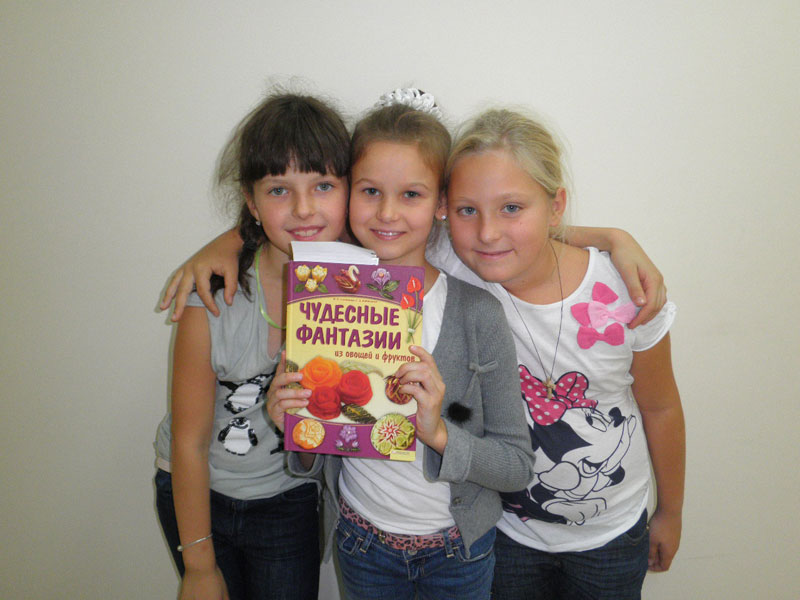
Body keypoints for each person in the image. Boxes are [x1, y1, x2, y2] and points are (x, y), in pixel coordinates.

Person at [271, 96, 536, 599]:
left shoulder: (477, 313)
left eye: (411, 194)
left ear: (440, 204)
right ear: (349, 193)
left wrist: (438, 433)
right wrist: (291, 419)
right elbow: (315, 454)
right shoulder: (322, 298)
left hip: (457, 550)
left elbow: (516, 466)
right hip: (361, 541)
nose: (387, 212)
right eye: (370, 191)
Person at [437, 108, 684, 599]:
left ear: (556, 207)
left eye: (511, 208)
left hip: (612, 536)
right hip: (504, 533)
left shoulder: (624, 292)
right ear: (445, 210)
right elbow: (383, 220)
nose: (487, 232)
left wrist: (671, 512)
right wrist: (613, 235)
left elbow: (661, 407)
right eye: (467, 210)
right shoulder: (456, 269)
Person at [153, 91, 351, 600]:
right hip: (197, 496)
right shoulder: (211, 298)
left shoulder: (364, 285)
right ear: (251, 201)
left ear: (351, 191)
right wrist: (199, 567)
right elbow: (188, 444)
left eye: (323, 185)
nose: (304, 208)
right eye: (279, 190)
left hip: (288, 497)